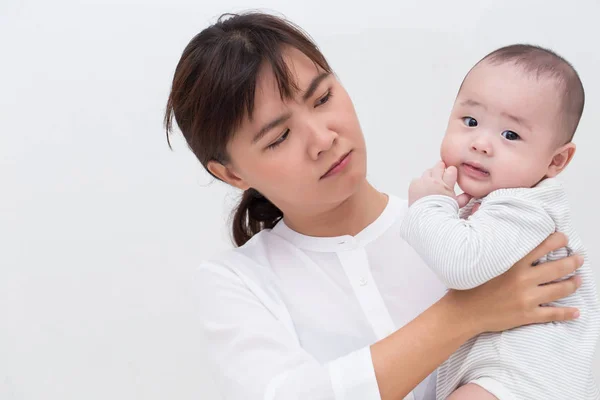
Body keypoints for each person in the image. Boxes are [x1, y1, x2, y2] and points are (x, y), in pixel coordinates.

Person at [163, 12, 584, 400]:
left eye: (323, 98)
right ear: (232, 174)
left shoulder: (466, 230)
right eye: (278, 137)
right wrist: (465, 314)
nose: (323, 138)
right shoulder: (236, 283)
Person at [400, 45, 600, 399]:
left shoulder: (526, 208)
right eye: (471, 122)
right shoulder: (503, 204)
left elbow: (459, 265)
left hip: (517, 378)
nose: (481, 143)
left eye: (510, 135)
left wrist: (429, 204)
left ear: (556, 161)